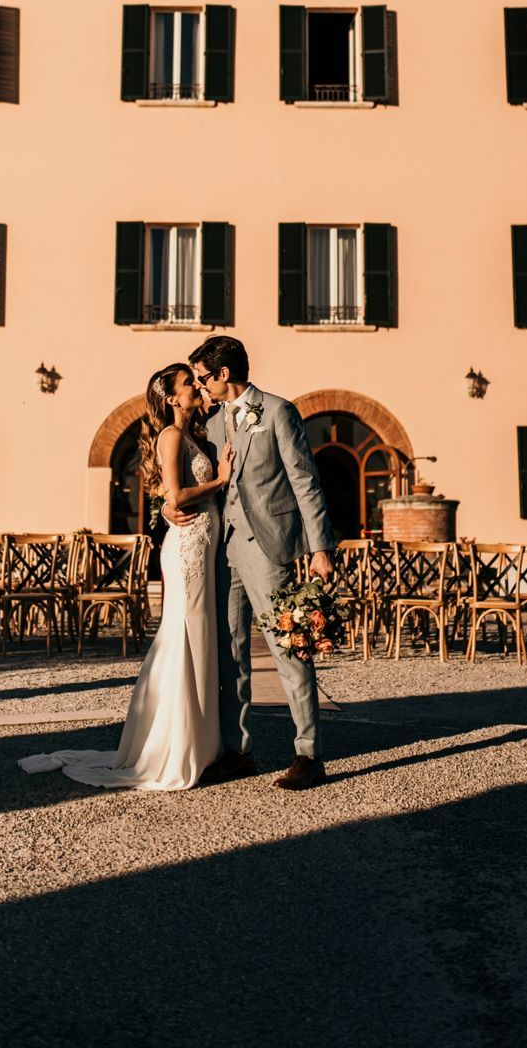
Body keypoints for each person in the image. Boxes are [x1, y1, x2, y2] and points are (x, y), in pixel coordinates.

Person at [18, 363, 232, 790]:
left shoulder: (195, 434)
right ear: (171, 397)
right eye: (189, 383)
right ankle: (175, 745)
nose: (197, 386)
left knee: (200, 638)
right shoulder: (171, 437)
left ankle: (201, 744)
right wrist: (221, 478)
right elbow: (175, 495)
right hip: (187, 550)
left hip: (202, 546)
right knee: (185, 635)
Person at [169, 335, 336, 792]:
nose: (200, 386)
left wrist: (320, 548)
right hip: (224, 549)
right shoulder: (214, 421)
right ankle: (236, 750)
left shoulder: (279, 412)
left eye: (203, 377)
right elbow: (193, 480)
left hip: (269, 548)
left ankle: (308, 753)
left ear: (224, 374)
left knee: (288, 647)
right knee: (230, 652)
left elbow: (306, 482)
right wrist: (168, 508)